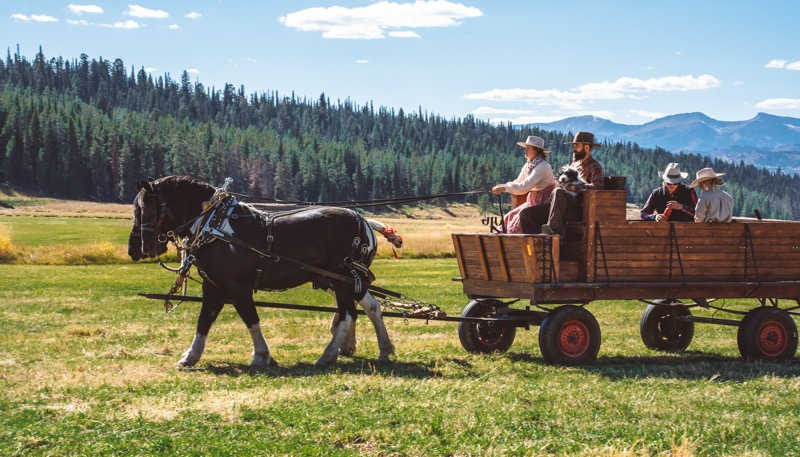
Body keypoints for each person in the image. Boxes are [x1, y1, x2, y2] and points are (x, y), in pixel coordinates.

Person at [519, 131, 605, 236]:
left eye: (576, 146)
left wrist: (574, 187)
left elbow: (598, 186)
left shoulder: (595, 166)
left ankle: (554, 233)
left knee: (559, 192)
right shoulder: (574, 165)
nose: (573, 149)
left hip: (578, 208)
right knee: (526, 214)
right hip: (559, 205)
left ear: (586, 147)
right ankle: (539, 244)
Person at [491, 136, 558, 234]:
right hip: (533, 202)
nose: (525, 150)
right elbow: (518, 181)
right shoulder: (528, 165)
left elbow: (524, 186)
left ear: (537, 150)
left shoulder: (544, 166)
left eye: (528, 148)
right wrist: (503, 186)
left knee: (524, 215)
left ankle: (533, 242)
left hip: (546, 204)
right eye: (525, 148)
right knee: (509, 216)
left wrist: (504, 188)